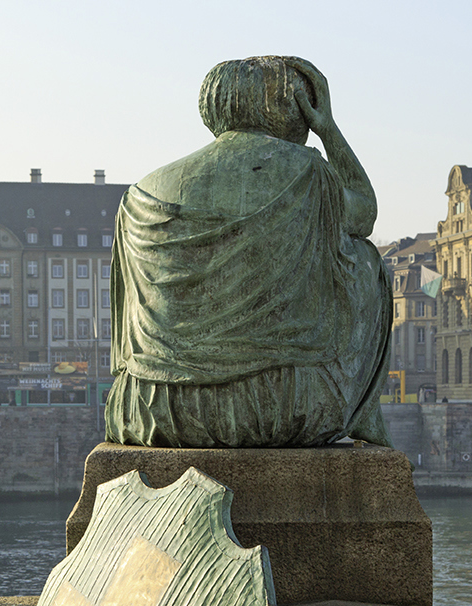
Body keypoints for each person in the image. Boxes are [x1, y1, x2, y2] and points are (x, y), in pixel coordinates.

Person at [105, 56, 391, 448]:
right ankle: (366, 421)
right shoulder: (309, 173)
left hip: (151, 410)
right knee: (364, 259)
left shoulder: (141, 192)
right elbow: (365, 211)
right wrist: (329, 129)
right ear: (293, 108)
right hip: (282, 409)